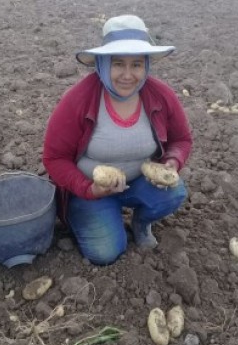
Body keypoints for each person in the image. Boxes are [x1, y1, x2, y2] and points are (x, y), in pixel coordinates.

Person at [43, 14, 192, 265]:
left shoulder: (161, 95)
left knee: (174, 192)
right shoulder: (79, 99)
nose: (127, 74)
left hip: (140, 181)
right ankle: (96, 215)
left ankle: (141, 222)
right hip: (90, 189)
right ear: (102, 63)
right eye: (118, 63)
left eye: (136, 64)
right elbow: (54, 158)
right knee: (106, 252)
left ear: (146, 66)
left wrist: (172, 162)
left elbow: (182, 139)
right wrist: (88, 189)